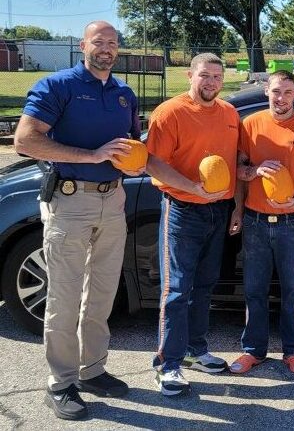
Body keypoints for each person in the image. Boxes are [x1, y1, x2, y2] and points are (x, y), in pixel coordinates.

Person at [14, 21, 139, 420]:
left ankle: (92, 370)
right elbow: (25, 140)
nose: (106, 49)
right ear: (83, 45)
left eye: (112, 43)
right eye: (98, 42)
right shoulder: (57, 86)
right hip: (70, 201)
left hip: (113, 200)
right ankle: (60, 382)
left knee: (102, 293)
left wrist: (136, 163)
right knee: (64, 297)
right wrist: (92, 156)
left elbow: (133, 147)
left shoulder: (124, 94)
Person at [145, 53, 242, 396]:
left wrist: (236, 206)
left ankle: (195, 350)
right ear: (190, 75)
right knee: (176, 289)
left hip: (218, 211)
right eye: (204, 75)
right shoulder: (170, 112)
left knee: (204, 285)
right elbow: (153, 163)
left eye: (217, 76)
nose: (211, 82)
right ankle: (167, 364)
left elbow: (233, 163)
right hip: (182, 210)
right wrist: (192, 188)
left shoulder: (229, 113)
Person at [231, 70, 294, 375]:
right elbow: (237, 170)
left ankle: (293, 351)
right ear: (266, 92)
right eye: (275, 91)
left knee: (291, 292)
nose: (280, 98)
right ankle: (253, 350)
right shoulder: (250, 124)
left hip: (293, 222)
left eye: (286, 92)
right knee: (254, 290)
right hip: (256, 221)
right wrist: (255, 171)